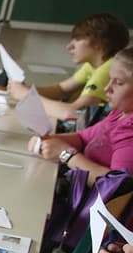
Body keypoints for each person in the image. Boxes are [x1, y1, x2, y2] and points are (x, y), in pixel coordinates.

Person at [28, 46, 133, 186]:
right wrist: (49, 140)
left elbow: (117, 185)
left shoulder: (129, 131)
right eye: (110, 79)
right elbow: (83, 138)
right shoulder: (120, 113)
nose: (107, 88)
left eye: (119, 83)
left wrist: (65, 154)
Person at [8, 13, 129, 124]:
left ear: (100, 43)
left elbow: (74, 113)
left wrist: (24, 94)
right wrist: (26, 90)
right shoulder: (94, 64)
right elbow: (61, 89)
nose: (69, 46)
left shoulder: (109, 68)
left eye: (77, 39)